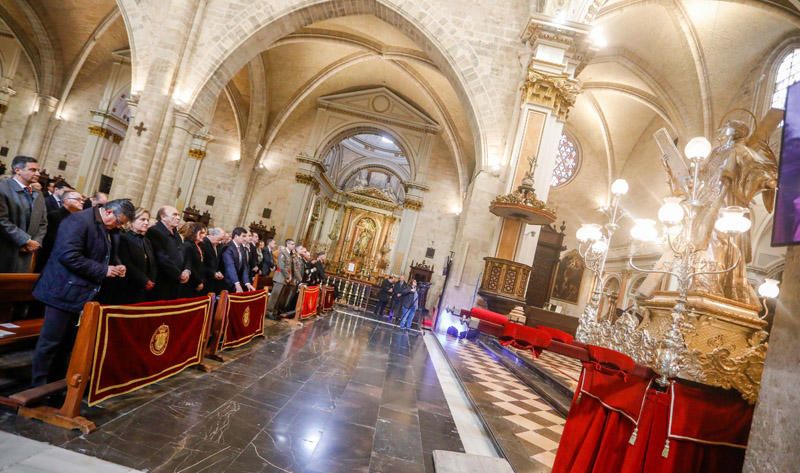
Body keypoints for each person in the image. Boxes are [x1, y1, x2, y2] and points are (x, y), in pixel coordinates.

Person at [31, 199, 134, 386]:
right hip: (61, 289)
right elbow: (69, 255)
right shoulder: (79, 221)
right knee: (50, 343)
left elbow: (102, 253)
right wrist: (104, 270)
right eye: (119, 222)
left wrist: (116, 265)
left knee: (65, 344)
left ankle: (55, 388)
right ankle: (36, 388)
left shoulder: (103, 225)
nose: (118, 227)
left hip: (77, 292)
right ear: (109, 212)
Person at [0, 156, 48, 273]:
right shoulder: (2, 188)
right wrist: (25, 240)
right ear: (17, 170)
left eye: (38, 170)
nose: (37, 173)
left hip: (27, 252)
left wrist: (36, 242)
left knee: (16, 288)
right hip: (5, 248)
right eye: (32, 170)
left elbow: (43, 222)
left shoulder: (38, 193)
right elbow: (1, 220)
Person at [146, 206, 189, 300]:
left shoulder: (176, 233)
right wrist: (178, 274)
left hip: (176, 281)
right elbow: (161, 257)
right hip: (162, 281)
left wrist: (186, 270)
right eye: (174, 215)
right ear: (163, 217)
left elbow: (183, 253)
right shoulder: (154, 231)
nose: (178, 218)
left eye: (178, 215)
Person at [116, 207, 157, 303]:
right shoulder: (124, 238)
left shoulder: (146, 241)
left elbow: (152, 263)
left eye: (147, 220)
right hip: (128, 286)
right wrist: (144, 280)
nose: (146, 223)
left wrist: (151, 280)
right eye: (142, 219)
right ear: (131, 221)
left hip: (144, 288)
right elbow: (126, 263)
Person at [36, 190, 84, 272]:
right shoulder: (54, 215)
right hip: (50, 260)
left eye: (83, 200)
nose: (82, 202)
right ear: (66, 200)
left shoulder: (79, 219)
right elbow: (50, 242)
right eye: (78, 199)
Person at [267, 239, 295, 319]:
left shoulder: (290, 254)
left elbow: (289, 267)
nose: (294, 246)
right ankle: (269, 312)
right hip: (280, 277)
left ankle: (275, 312)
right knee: (275, 296)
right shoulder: (283, 253)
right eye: (292, 244)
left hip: (285, 278)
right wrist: (287, 276)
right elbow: (282, 266)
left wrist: (289, 277)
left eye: (294, 244)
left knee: (280, 297)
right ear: (288, 244)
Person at [222, 227, 255, 293]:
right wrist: (236, 283)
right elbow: (230, 266)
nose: (245, 238)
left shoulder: (242, 247)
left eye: (246, 236)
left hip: (237, 281)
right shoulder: (228, 247)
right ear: (236, 236)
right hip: (227, 281)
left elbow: (244, 266)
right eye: (243, 236)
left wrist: (247, 283)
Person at [181, 222, 208, 297]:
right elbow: (190, 265)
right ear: (194, 232)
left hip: (196, 281)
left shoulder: (200, 246)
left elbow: (200, 265)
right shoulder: (188, 245)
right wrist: (199, 281)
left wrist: (201, 281)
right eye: (202, 233)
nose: (204, 235)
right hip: (189, 282)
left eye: (205, 233)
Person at [201, 227, 226, 294]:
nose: (220, 242)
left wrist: (217, 272)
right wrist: (213, 273)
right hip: (203, 280)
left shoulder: (215, 245)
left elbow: (215, 263)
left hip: (210, 281)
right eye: (219, 239)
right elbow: (202, 264)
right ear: (212, 235)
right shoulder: (204, 243)